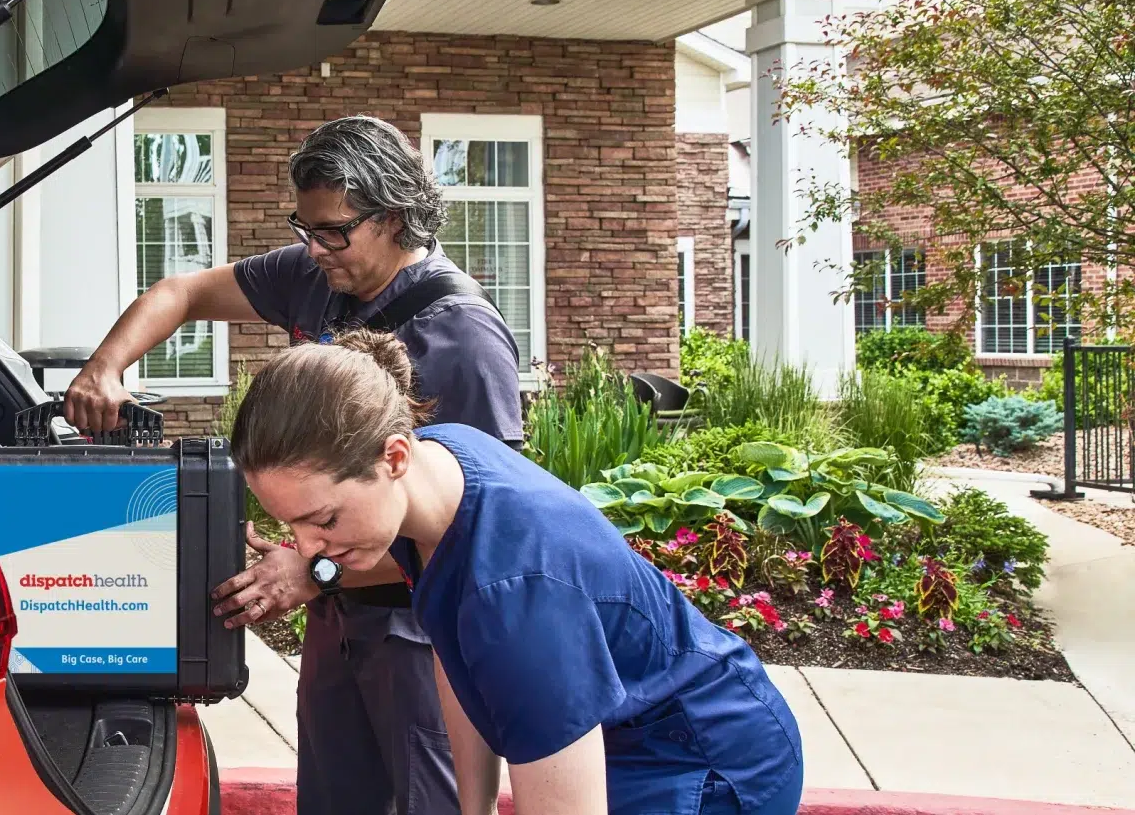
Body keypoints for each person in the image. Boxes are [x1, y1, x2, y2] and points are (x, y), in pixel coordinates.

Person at [64, 115, 525, 814]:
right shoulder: (314, 276)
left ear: (393, 216)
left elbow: (486, 530)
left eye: (332, 230)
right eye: (304, 227)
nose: (313, 248)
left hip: (423, 632)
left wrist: (314, 569)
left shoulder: (461, 336)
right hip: (339, 616)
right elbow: (181, 293)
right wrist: (104, 368)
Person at [225, 329, 807, 815]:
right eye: (290, 524)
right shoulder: (438, 471)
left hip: (704, 757)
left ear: (393, 457)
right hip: (630, 733)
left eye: (322, 518)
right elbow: (454, 652)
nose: (308, 548)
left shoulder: (516, 592)